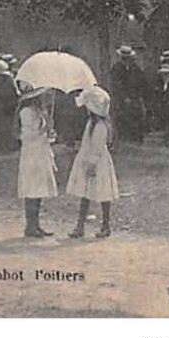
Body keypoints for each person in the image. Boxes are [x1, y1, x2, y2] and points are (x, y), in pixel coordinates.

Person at [66, 85, 119, 239]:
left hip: (97, 162)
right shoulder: (91, 123)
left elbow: (97, 147)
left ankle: (106, 225)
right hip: (87, 158)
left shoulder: (100, 126)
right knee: (85, 193)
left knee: (103, 193)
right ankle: (80, 225)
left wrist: (92, 164)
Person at [17, 87, 56, 238]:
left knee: (39, 189)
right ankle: (30, 225)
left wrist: (49, 131)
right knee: (31, 189)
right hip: (31, 154)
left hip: (40, 153)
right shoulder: (26, 112)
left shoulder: (39, 111)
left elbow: (43, 132)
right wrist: (43, 129)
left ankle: (36, 224)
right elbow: (27, 136)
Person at [109, 44, 147, 144]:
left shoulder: (136, 68)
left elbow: (142, 82)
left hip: (134, 97)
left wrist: (137, 95)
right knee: (122, 118)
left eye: (128, 58)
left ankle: (135, 139)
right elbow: (116, 84)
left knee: (136, 117)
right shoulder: (116, 68)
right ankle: (123, 138)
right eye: (124, 58)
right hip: (121, 99)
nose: (126, 60)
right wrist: (124, 96)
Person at [0, 59, 19, 151]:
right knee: (7, 127)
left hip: (3, 108)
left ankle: (4, 146)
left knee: (3, 127)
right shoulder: (9, 79)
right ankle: (7, 145)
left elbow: (0, 94)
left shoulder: (1, 80)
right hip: (8, 107)